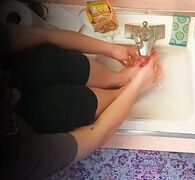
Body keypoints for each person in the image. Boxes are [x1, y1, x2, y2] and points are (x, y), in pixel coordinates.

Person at [0, 22, 162, 179]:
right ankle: (120, 92)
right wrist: (136, 85)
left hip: (13, 73)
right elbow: (97, 133)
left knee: (48, 63)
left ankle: (120, 78)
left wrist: (112, 49)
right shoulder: (14, 155)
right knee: (63, 106)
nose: (15, 93)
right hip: (22, 134)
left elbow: (50, 36)